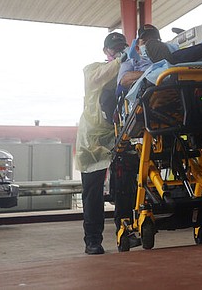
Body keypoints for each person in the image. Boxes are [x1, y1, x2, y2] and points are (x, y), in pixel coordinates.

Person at [75, 31, 128, 255]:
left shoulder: (125, 71)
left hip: (119, 135)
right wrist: (121, 60)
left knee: (125, 187)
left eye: (122, 47)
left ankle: (126, 233)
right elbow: (98, 78)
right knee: (93, 190)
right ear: (106, 51)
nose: (118, 51)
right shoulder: (94, 68)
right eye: (114, 48)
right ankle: (93, 240)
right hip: (93, 140)